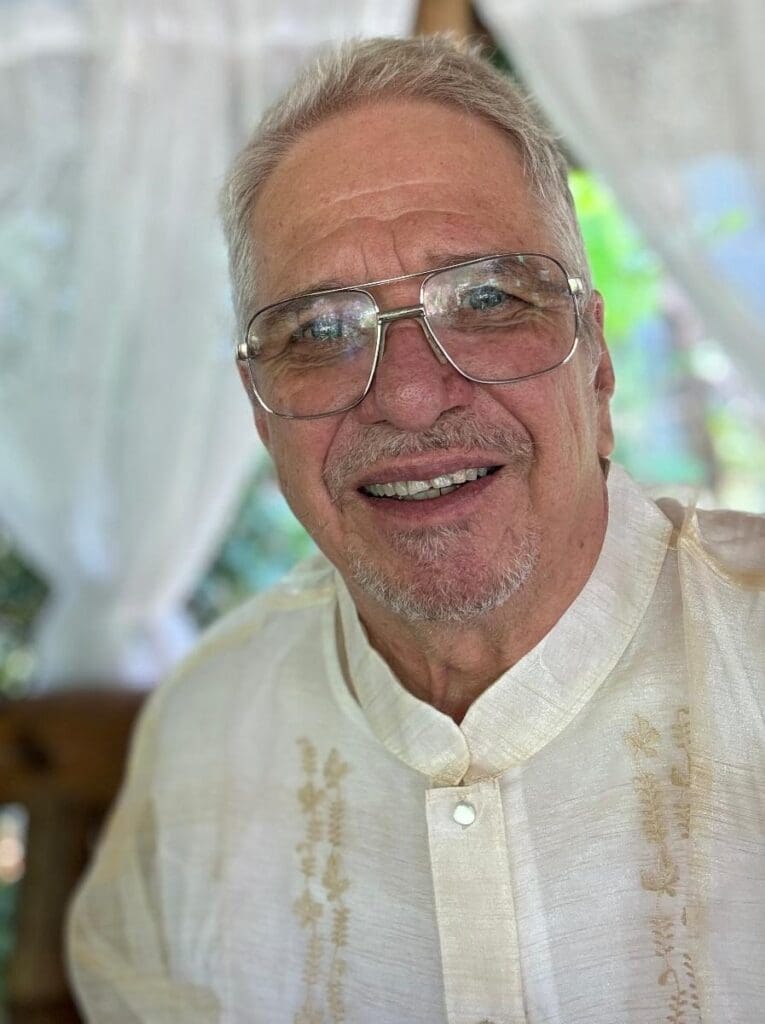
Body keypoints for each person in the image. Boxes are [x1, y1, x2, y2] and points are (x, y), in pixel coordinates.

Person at [67, 35, 765, 1024]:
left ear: (596, 363)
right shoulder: (203, 737)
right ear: (262, 411)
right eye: (317, 331)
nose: (405, 394)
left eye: (485, 299)